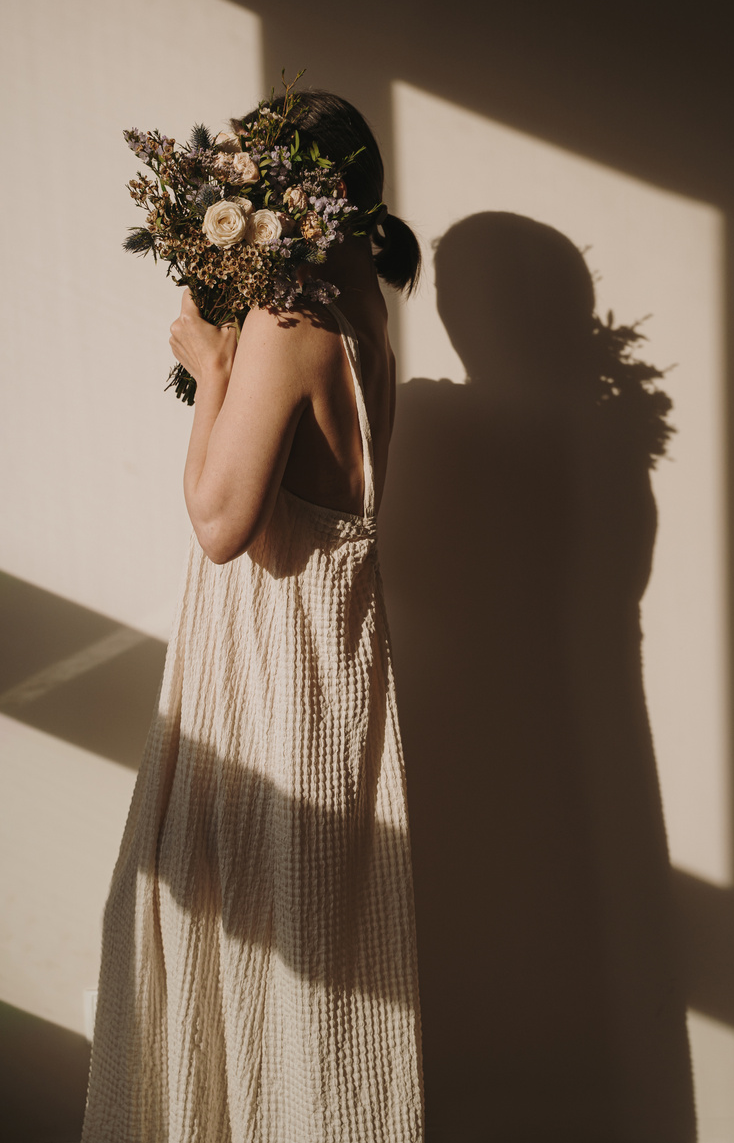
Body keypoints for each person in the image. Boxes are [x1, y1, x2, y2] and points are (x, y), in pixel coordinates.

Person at [81, 92, 425, 1143]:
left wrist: (214, 367)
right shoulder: (365, 317)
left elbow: (222, 521)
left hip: (273, 665)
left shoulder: (288, 324)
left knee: (231, 935)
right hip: (330, 660)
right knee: (308, 961)